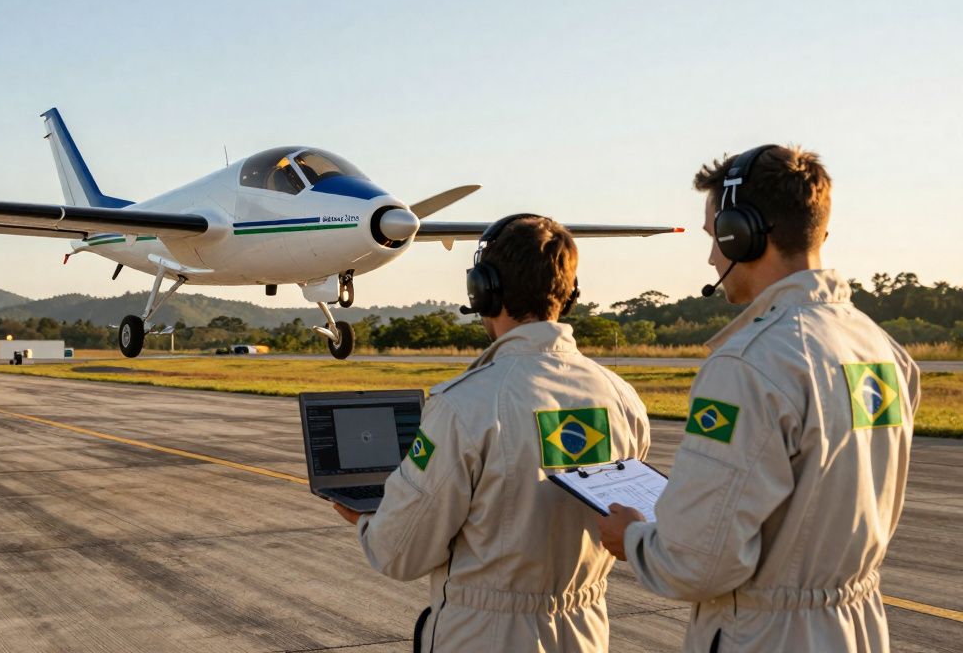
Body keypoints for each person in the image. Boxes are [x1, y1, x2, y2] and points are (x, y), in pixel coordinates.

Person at [596, 145, 920, 652]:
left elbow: (697, 563)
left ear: (741, 234)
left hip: (765, 635)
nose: (710, 257)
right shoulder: (881, 347)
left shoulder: (748, 364)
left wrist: (634, 538)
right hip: (857, 627)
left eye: (713, 238)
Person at [334, 214, 651, 652]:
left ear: (484, 291)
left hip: (485, 635)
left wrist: (370, 521)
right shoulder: (621, 397)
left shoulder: (464, 405)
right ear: (569, 293)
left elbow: (400, 553)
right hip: (585, 631)